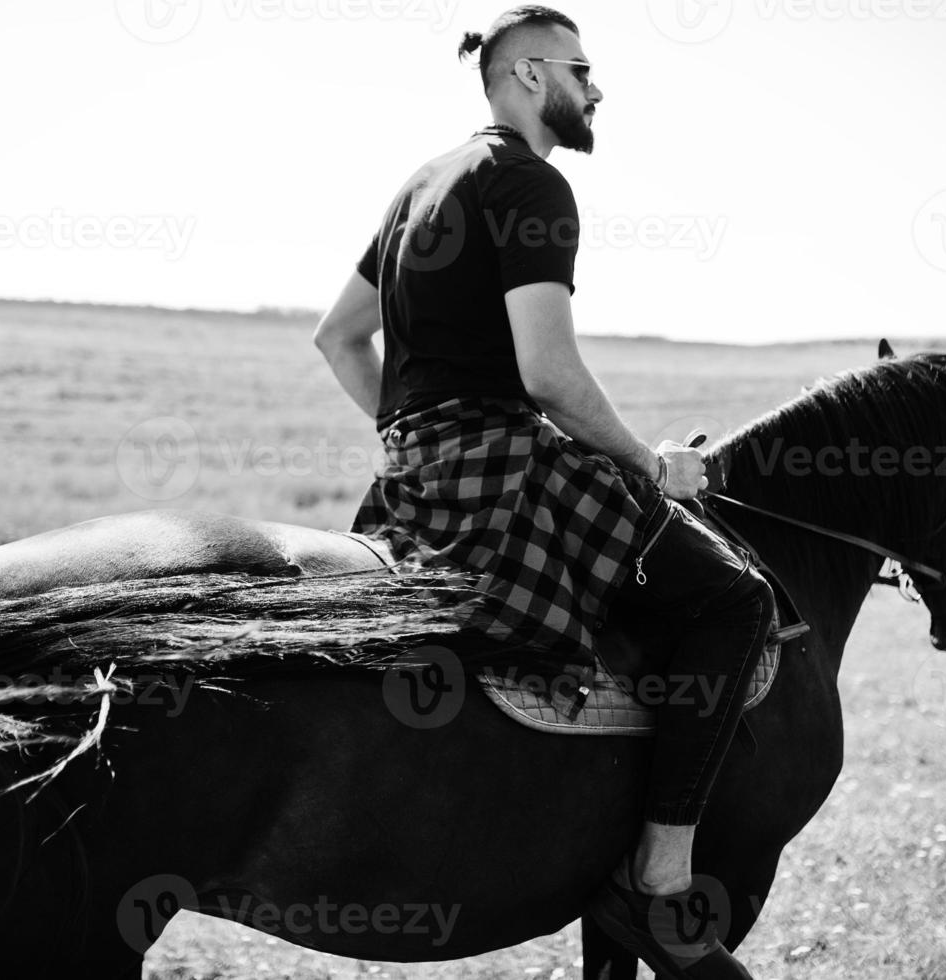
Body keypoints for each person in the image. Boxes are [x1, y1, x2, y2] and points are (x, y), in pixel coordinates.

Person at [313, 7, 775, 977]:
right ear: (527, 77)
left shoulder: (419, 183)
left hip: (411, 482)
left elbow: (338, 337)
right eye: (581, 69)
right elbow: (548, 373)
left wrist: (413, 435)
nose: (596, 88)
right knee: (735, 597)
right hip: (507, 467)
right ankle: (660, 867)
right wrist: (652, 465)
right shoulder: (531, 181)